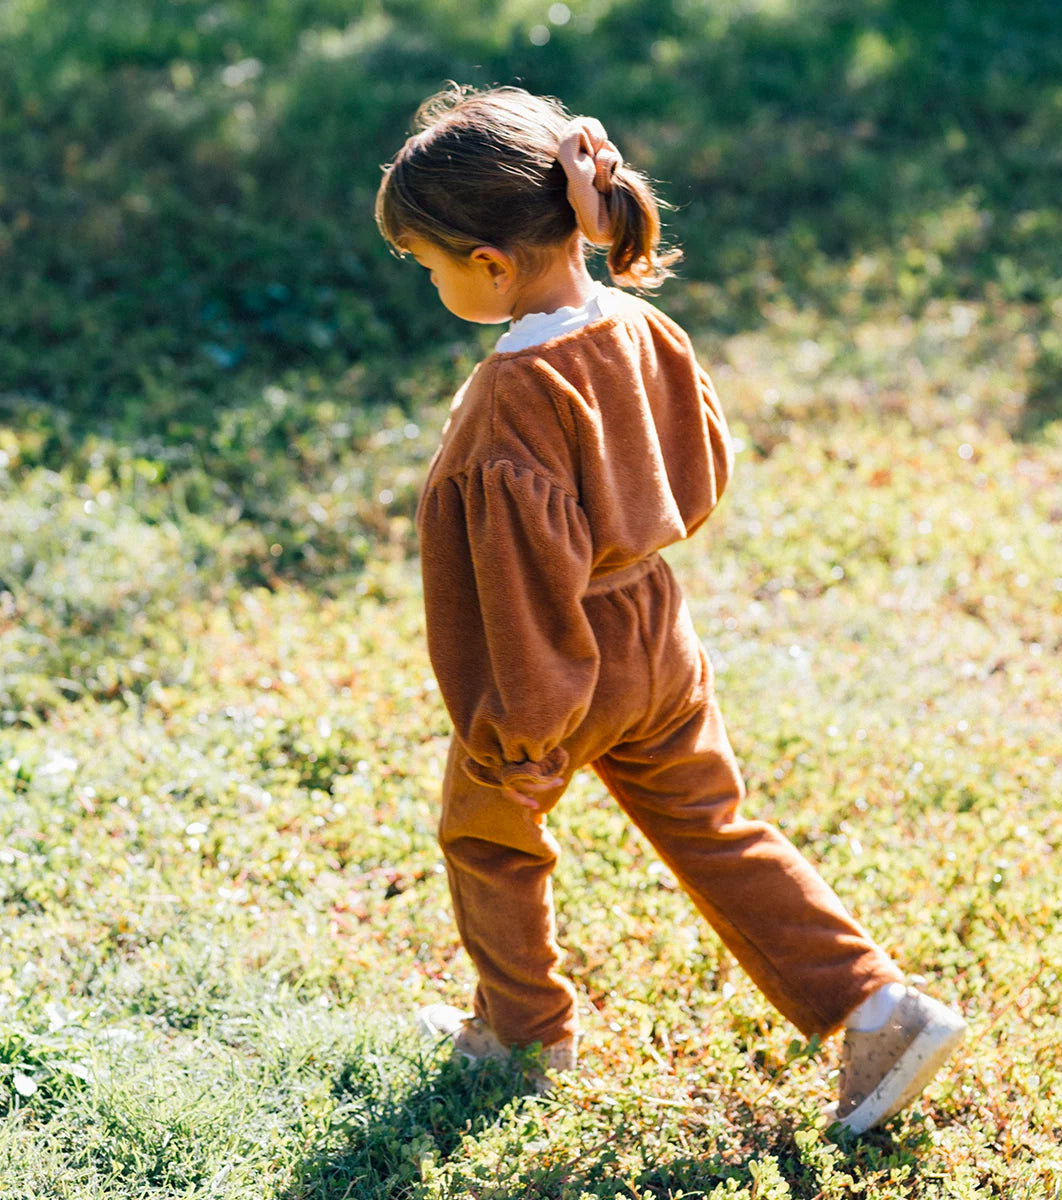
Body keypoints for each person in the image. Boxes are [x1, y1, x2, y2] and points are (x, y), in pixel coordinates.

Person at [374, 84, 965, 1134]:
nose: (429, 282)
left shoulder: (514, 395)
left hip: (553, 662)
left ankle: (521, 1029)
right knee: (715, 825)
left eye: (427, 264)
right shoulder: (641, 325)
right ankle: (879, 1005)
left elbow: (521, 574)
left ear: (491, 264)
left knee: (489, 832)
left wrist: (521, 730)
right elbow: (703, 465)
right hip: (657, 627)